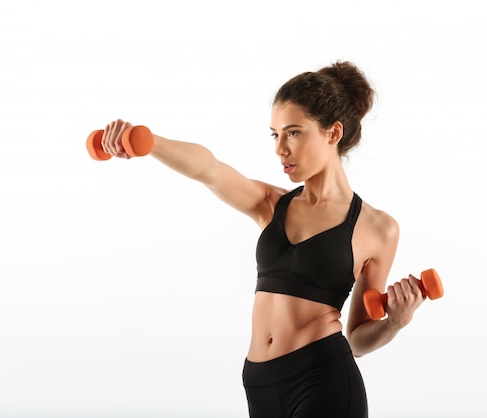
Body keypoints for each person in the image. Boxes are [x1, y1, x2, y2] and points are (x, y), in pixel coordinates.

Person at [100, 61, 425, 418]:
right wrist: (146, 142)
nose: (280, 149)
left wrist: (394, 321)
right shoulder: (271, 205)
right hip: (259, 386)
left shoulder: (377, 228)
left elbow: (359, 340)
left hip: (323, 382)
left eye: (294, 133)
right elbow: (210, 169)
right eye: (275, 134)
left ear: (333, 134)